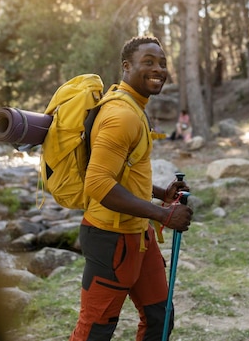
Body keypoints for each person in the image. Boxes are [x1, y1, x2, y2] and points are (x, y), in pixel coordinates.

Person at [69, 36, 193, 340]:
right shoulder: (121, 115)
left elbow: (123, 171)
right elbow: (98, 183)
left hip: (138, 235)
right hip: (110, 239)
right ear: (127, 66)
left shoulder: (133, 106)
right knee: (95, 331)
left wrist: (161, 194)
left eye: (162, 63)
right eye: (148, 62)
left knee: (159, 319)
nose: (158, 69)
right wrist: (163, 215)